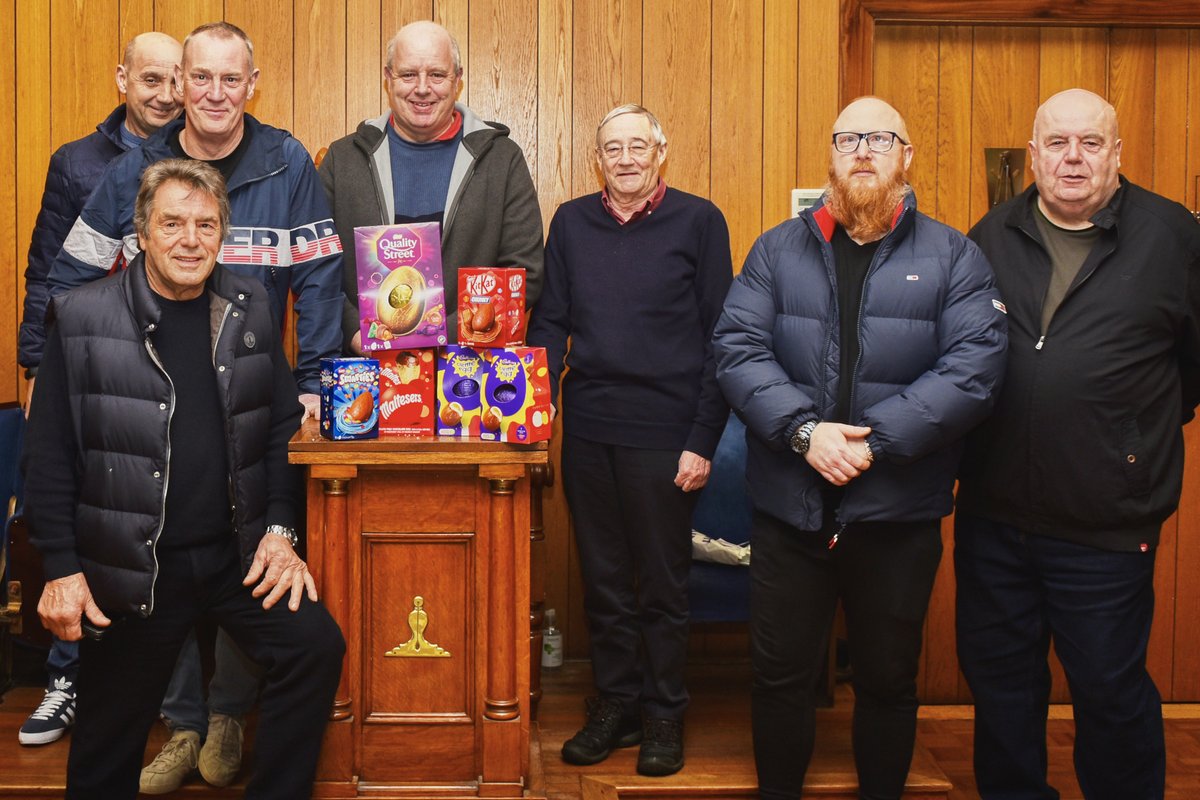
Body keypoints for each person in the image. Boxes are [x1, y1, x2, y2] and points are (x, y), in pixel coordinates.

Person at [44, 21, 343, 792]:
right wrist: (63, 570)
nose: (189, 238)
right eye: (172, 224)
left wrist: (280, 529)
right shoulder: (85, 321)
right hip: (136, 569)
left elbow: (278, 425)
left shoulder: (244, 307)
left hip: (232, 555)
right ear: (139, 232)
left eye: (206, 226)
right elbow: (49, 459)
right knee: (109, 744)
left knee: (314, 646)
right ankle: (181, 731)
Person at [713, 97, 1007, 799]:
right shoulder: (776, 249)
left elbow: (975, 368)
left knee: (886, 679)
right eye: (848, 138)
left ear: (906, 155)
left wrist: (873, 447)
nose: (864, 150)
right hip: (790, 508)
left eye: (881, 138)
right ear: (832, 157)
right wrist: (807, 434)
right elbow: (736, 349)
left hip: (897, 512)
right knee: (780, 677)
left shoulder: (955, 256)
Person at [955, 88, 1200, 800]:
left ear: (1117, 154)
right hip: (995, 517)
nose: (1072, 158)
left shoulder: (1173, 236)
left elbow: (1190, 369)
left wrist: (1124, 437)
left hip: (1106, 525)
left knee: (1111, 693)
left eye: (1090, 143)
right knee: (1000, 692)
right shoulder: (991, 233)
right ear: (1032, 155)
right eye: (1056, 143)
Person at [527, 104, 733, 777]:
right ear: (597, 157)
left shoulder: (699, 222)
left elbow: (722, 342)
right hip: (589, 429)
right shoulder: (572, 223)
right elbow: (551, 321)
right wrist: (535, 407)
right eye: (612, 147)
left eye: (637, 146)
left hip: (667, 434)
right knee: (605, 583)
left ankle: (665, 712)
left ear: (660, 152)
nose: (625, 158)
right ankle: (615, 705)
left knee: (663, 587)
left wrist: (703, 439)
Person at [15, 30, 183, 749]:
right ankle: (65, 676)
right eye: (151, 78)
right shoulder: (77, 163)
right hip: (91, 367)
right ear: (122, 79)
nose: (167, 93)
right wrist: (36, 368)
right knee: (88, 523)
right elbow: (47, 269)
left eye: (178, 78)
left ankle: (162, 701)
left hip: (168, 367)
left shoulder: (194, 153)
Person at [319, 19, 544, 349]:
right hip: (366, 365)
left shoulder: (502, 159)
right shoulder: (343, 160)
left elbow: (524, 274)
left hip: (469, 372)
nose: (422, 88)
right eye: (408, 74)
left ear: (457, 80)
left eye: (437, 75)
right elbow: (318, 270)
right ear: (388, 79)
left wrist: (439, 338)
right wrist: (359, 333)